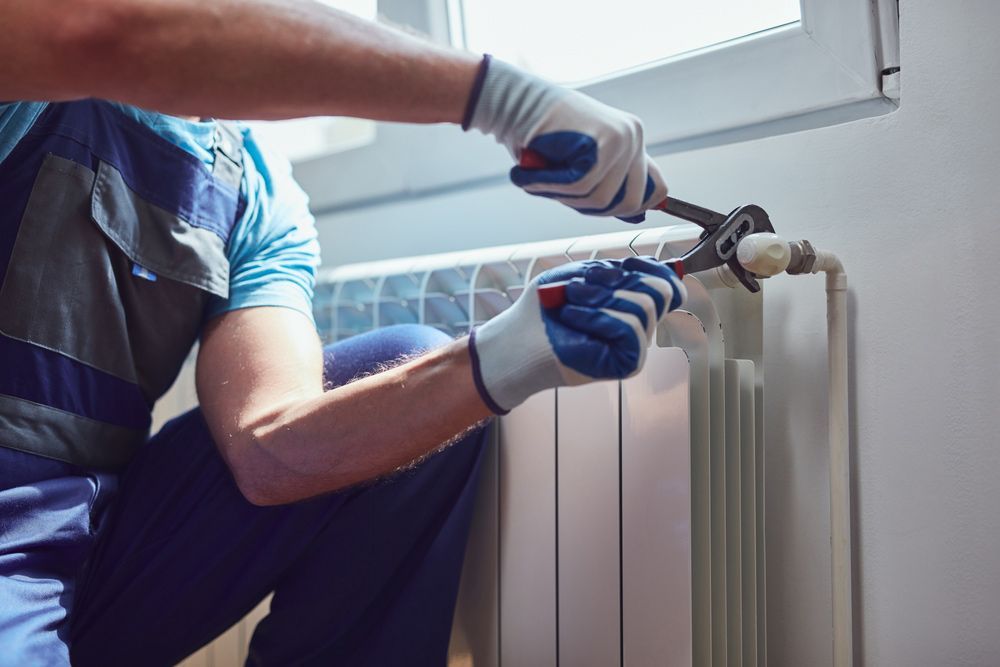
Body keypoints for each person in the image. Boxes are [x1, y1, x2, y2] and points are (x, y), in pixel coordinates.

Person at [0, 1, 686, 664]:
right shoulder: (38, 58)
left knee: (410, 361)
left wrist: (504, 359)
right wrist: (504, 96)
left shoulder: (256, 194)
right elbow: (105, 33)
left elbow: (273, 449)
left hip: (87, 557)